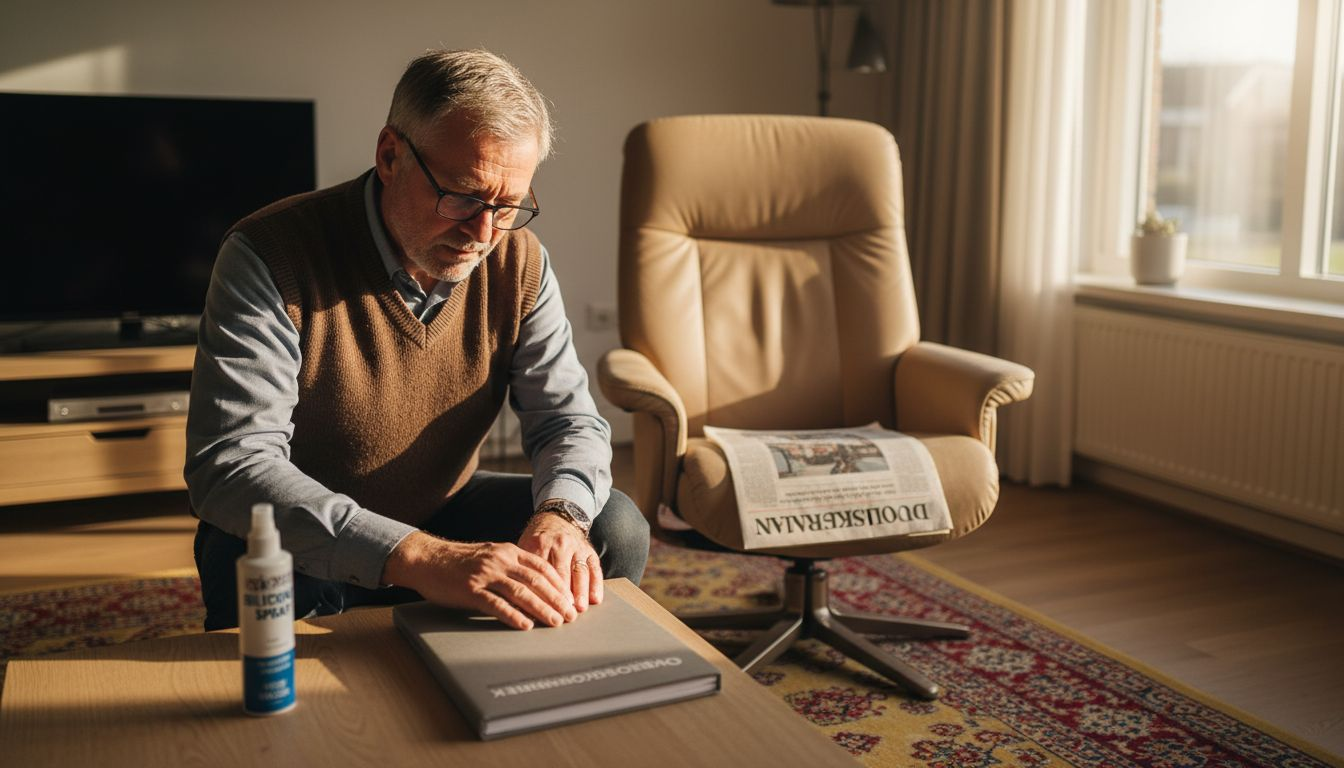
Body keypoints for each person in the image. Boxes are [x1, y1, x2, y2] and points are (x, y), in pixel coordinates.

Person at [186, 48, 648, 633]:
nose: (484, 233)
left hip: (440, 510)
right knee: (267, 567)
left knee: (611, 526)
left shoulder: (518, 262)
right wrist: (421, 557)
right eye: (462, 196)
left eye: (508, 206)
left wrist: (560, 517)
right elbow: (232, 463)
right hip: (301, 531)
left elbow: (568, 421)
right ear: (390, 155)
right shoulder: (270, 254)